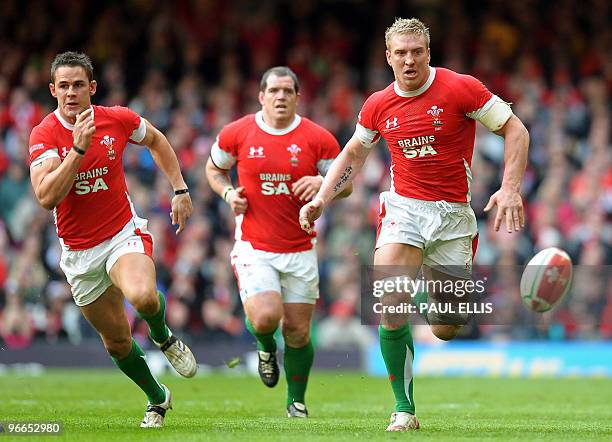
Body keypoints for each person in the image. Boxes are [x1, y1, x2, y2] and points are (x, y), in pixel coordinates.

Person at [299, 18, 529, 431]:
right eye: (400, 53)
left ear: (428, 52)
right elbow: (353, 154)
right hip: (404, 209)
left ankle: (424, 296)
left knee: (446, 327)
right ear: (388, 57)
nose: (409, 60)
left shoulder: (461, 88)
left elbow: (516, 129)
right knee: (388, 301)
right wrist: (321, 198)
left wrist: (510, 188)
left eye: (416, 52)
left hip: (455, 217)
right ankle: (404, 407)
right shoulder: (377, 104)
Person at [28, 52, 198, 428]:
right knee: (117, 342)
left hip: (122, 234)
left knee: (143, 296)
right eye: (64, 86)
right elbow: (46, 197)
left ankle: (163, 335)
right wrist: (78, 149)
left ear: (92, 88)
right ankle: (158, 398)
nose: (71, 93)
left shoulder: (117, 118)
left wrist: (180, 190)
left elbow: (155, 139)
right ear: (53, 90)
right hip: (78, 252)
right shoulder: (44, 134)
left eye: (78, 85)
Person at [205, 66, 351, 418]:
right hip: (256, 247)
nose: (281, 97)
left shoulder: (318, 138)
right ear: (261, 96)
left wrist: (322, 184)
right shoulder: (237, 133)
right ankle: (266, 348)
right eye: (274, 91)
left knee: (299, 331)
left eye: (288, 91)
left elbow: (345, 182)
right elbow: (213, 169)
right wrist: (227, 193)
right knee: (268, 316)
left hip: (301, 249)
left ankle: (296, 402)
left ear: (298, 96)